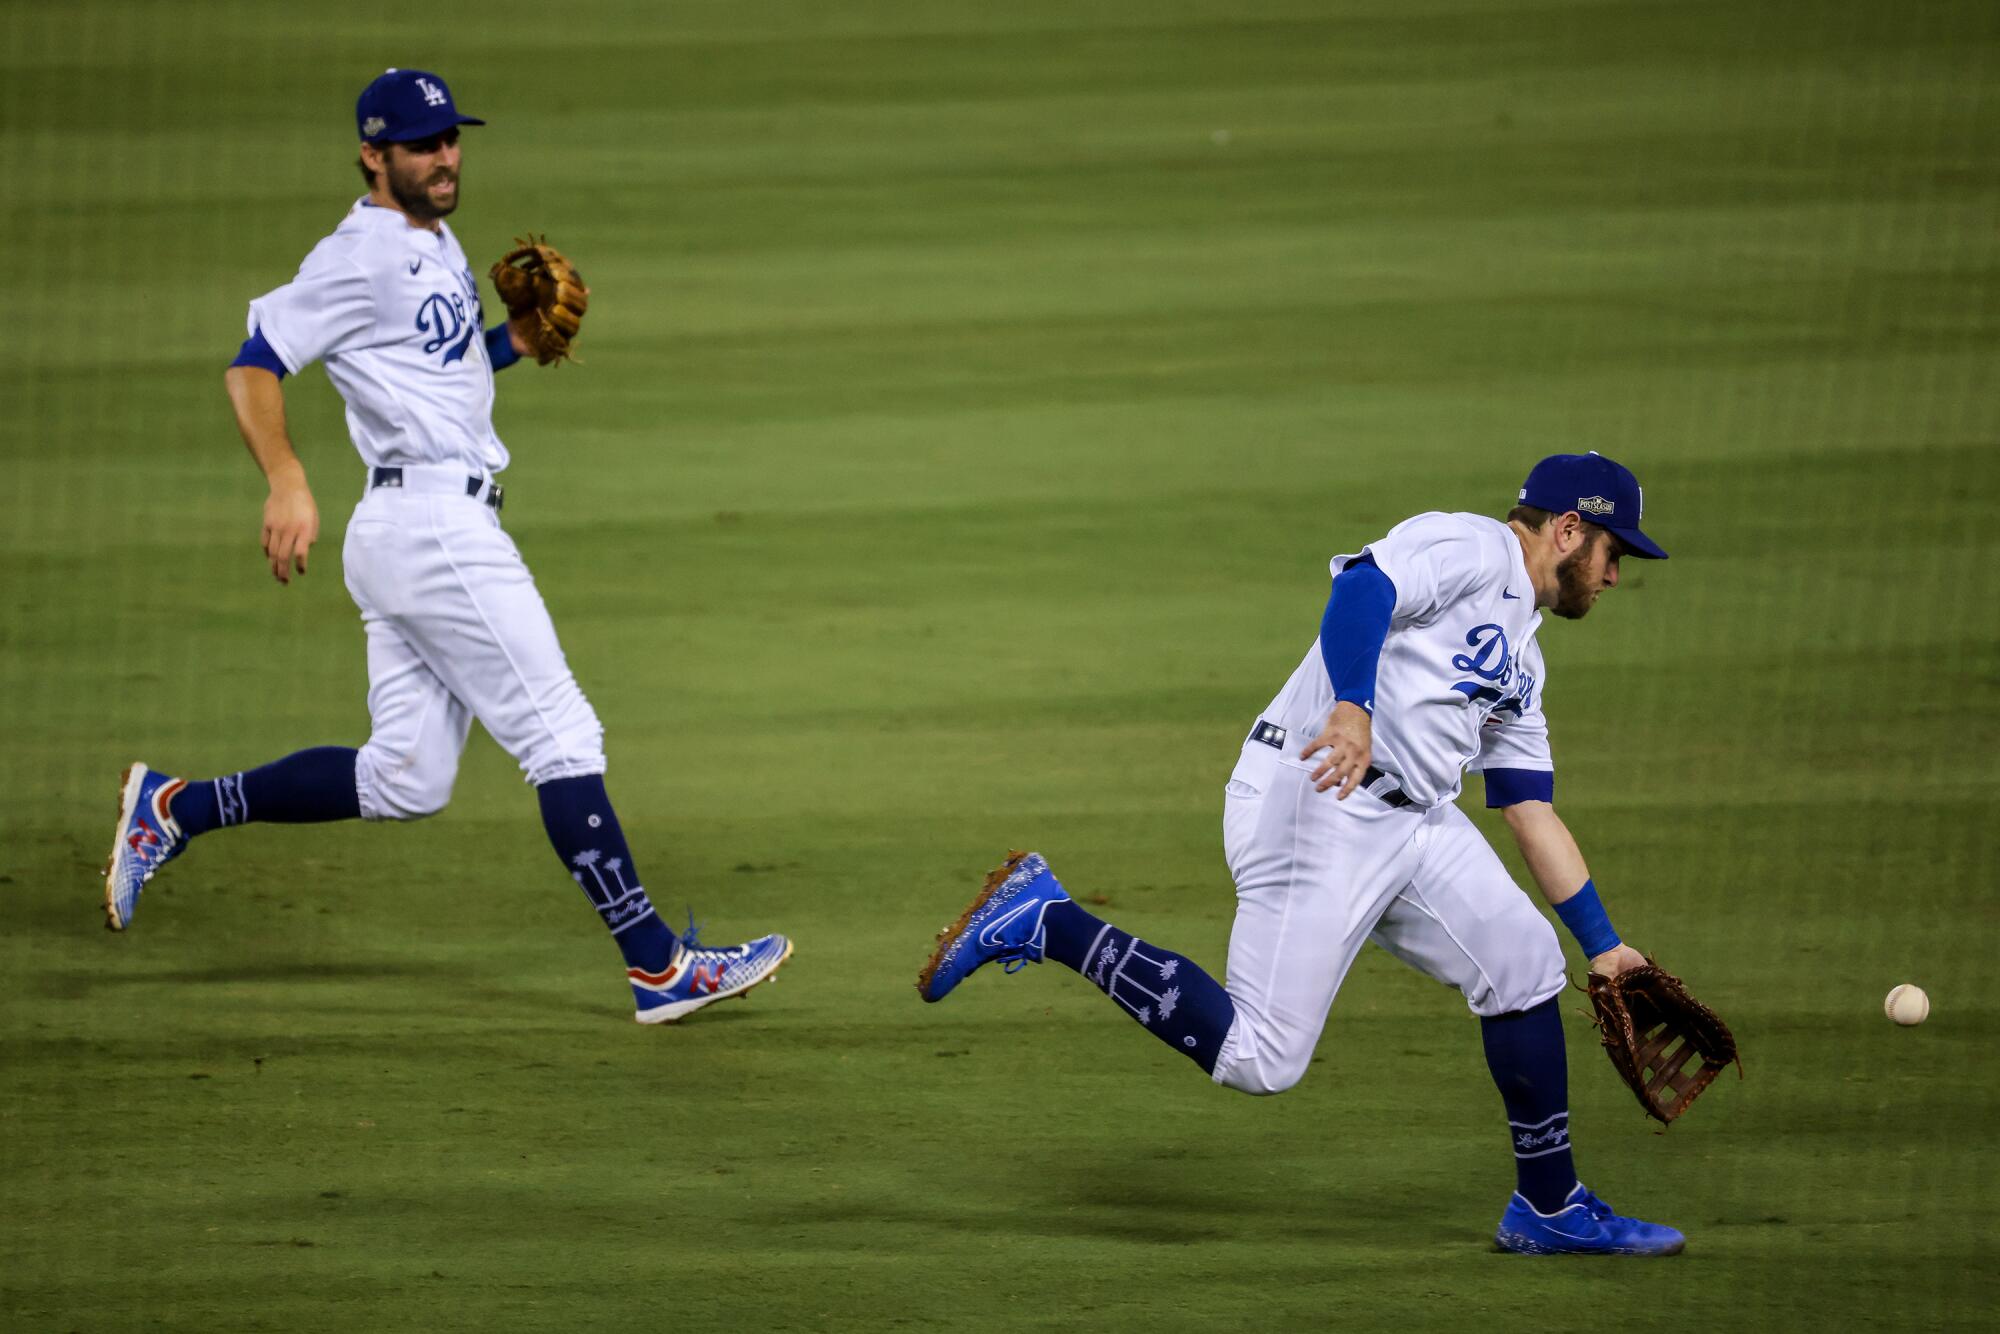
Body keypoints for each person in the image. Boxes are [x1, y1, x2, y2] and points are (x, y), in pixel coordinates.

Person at [102, 68, 792, 1024]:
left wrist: (512, 339)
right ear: (372, 155)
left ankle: (175, 809)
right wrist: (288, 479)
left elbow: (442, 363)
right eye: (422, 145)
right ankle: (657, 965)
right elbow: (253, 363)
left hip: (412, 530)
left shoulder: (432, 237)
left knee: (406, 778)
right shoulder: (358, 256)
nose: (444, 158)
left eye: (451, 139)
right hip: (433, 531)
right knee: (561, 737)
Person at [920, 452, 1687, 1255]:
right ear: (1568, 530)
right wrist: (1352, 709)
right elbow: (1362, 586)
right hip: (1314, 797)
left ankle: (1549, 1206)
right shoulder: (1468, 547)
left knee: (1525, 962)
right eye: (1613, 551)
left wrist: (1606, 949)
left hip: (1414, 826)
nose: (1614, 574)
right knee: (1259, 1057)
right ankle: (1049, 917)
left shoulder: (1523, 664)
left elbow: (1531, 811)